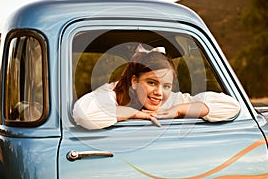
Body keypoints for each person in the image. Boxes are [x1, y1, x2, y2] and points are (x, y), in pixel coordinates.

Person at [73, 44, 240, 130]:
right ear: (134, 81)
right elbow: (83, 115)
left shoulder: (173, 100)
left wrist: (179, 110)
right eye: (151, 83)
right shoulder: (112, 92)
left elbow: (231, 107)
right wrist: (134, 114)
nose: (159, 93)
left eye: (166, 85)